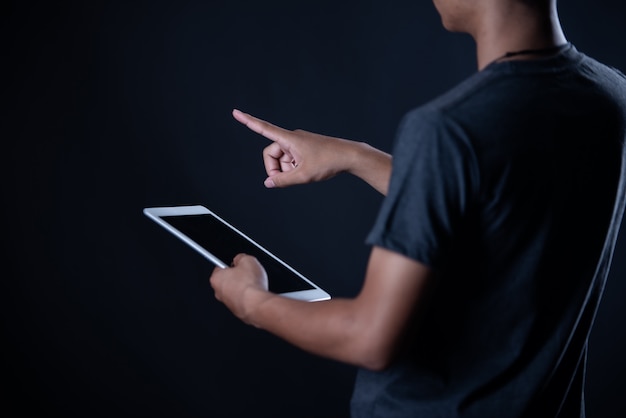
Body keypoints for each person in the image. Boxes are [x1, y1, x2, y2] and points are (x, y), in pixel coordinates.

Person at [209, 0, 626, 416]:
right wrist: (356, 156)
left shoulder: (449, 129)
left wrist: (251, 302)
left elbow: (369, 338)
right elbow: (502, 214)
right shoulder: (612, 97)